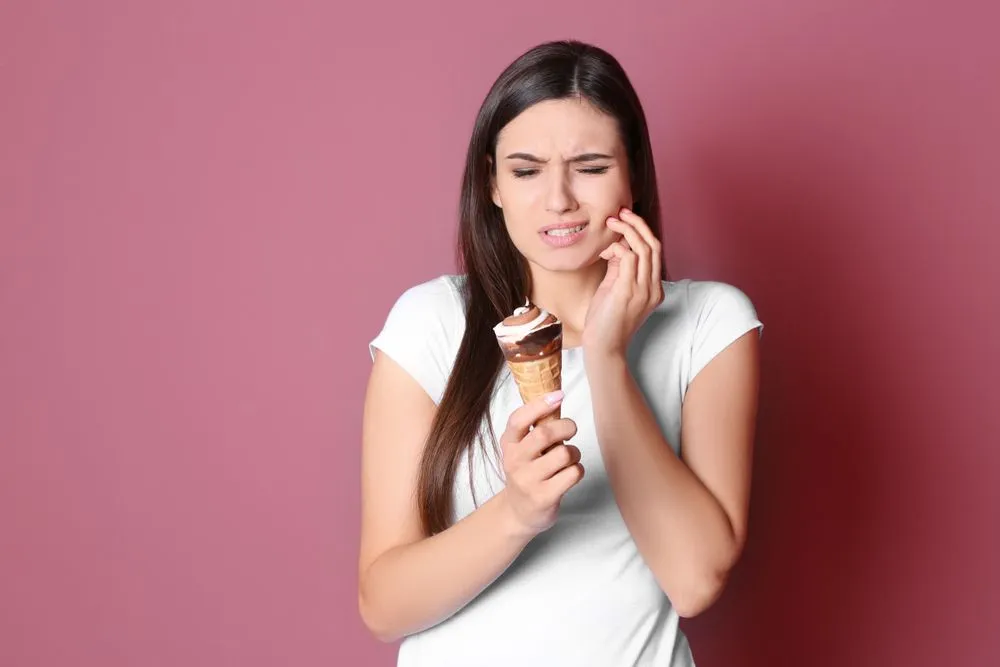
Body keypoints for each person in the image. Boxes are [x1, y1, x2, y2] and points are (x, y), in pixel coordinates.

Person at [359, 39, 763, 667]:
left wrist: (606, 358)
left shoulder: (708, 324)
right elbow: (383, 605)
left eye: (592, 167)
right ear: (491, 185)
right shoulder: (432, 323)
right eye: (525, 171)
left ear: (633, 174)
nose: (558, 200)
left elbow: (693, 579)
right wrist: (517, 512)